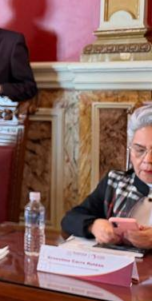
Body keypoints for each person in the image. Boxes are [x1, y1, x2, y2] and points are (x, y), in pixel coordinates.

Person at [62, 105, 152, 249]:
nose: (147, 160)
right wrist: (93, 225)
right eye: (140, 150)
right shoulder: (115, 183)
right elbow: (70, 219)